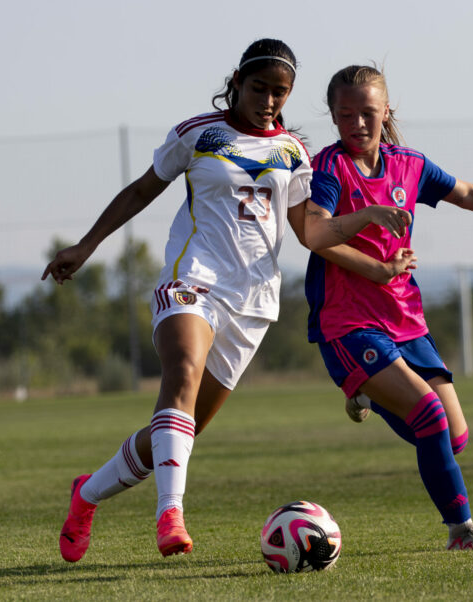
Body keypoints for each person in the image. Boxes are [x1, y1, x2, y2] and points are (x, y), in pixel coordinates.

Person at [292, 65, 473, 551]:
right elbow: (317, 235)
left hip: (405, 319)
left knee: (453, 437)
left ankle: (366, 394)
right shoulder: (328, 169)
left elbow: (469, 193)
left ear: (386, 111)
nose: (358, 124)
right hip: (348, 324)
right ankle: (462, 531)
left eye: (368, 113)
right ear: (333, 116)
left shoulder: (409, 164)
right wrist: (372, 240)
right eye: (346, 115)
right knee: (427, 415)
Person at [42, 38, 313, 561]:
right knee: (182, 372)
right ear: (236, 82)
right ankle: (171, 514)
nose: (269, 100)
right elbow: (143, 190)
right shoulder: (198, 134)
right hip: (192, 279)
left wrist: (372, 255)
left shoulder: (295, 154)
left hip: (254, 303)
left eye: (280, 93)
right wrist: (87, 244)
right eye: (259, 88)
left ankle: (87, 494)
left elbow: (309, 233)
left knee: (176, 434)